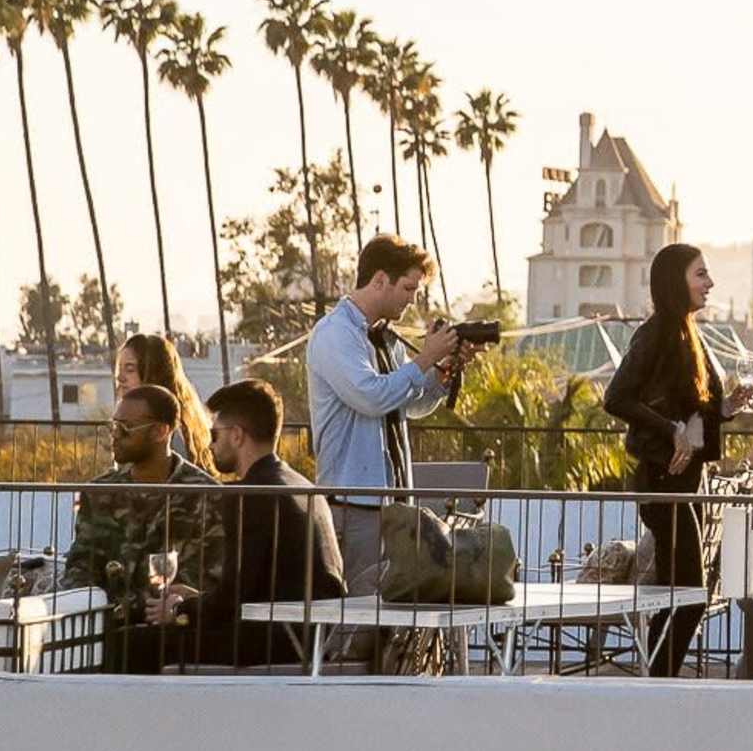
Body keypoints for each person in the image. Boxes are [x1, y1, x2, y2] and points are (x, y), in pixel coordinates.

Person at [304, 236, 476, 595]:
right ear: (380, 280)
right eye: (408, 287)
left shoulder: (385, 337)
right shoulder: (335, 334)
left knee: (391, 614)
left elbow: (406, 405)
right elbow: (370, 396)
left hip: (393, 506)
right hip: (354, 505)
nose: (412, 298)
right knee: (354, 614)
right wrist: (425, 358)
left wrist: (439, 374)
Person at [603, 240, 721, 675]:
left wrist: (718, 412)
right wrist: (671, 429)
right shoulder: (656, 332)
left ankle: (657, 679)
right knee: (691, 596)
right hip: (662, 483)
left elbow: (688, 401)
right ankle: (658, 680)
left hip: (681, 484)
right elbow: (616, 398)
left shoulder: (686, 332)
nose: (709, 283)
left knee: (678, 595)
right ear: (677, 282)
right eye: (700, 274)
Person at [60, 382, 226, 674]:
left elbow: (203, 578)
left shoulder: (205, 495)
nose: (115, 436)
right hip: (103, 630)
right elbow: (80, 565)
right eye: (113, 426)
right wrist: (94, 606)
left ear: (160, 431)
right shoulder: (100, 492)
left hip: (169, 634)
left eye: (125, 428)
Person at [198, 376, 347, 667]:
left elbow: (236, 595)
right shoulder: (303, 486)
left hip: (270, 642)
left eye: (214, 434)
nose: (209, 445)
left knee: (140, 640)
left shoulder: (252, 494)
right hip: (311, 638)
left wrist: (182, 607)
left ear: (237, 435)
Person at [119, 332, 217, 471]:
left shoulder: (169, 432)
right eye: (120, 369)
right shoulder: (132, 425)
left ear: (153, 373)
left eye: (129, 369)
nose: (120, 378)